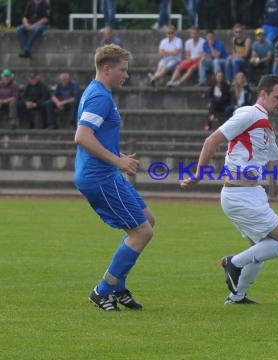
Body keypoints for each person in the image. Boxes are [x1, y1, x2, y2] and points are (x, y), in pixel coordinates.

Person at [180, 75, 278, 305]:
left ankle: (237, 296)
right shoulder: (249, 113)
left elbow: (275, 162)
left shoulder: (265, 124)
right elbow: (211, 140)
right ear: (263, 94)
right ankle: (233, 263)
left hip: (252, 194)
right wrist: (198, 174)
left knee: (261, 248)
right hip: (239, 195)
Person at [74, 44, 155, 311]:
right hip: (100, 176)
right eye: (123, 69)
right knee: (141, 231)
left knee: (147, 222)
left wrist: (118, 156)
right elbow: (82, 136)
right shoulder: (100, 97)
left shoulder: (98, 93)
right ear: (107, 68)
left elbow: (95, 136)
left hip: (106, 172)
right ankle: (104, 290)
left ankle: (117, 287)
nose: (126, 75)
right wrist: (118, 161)